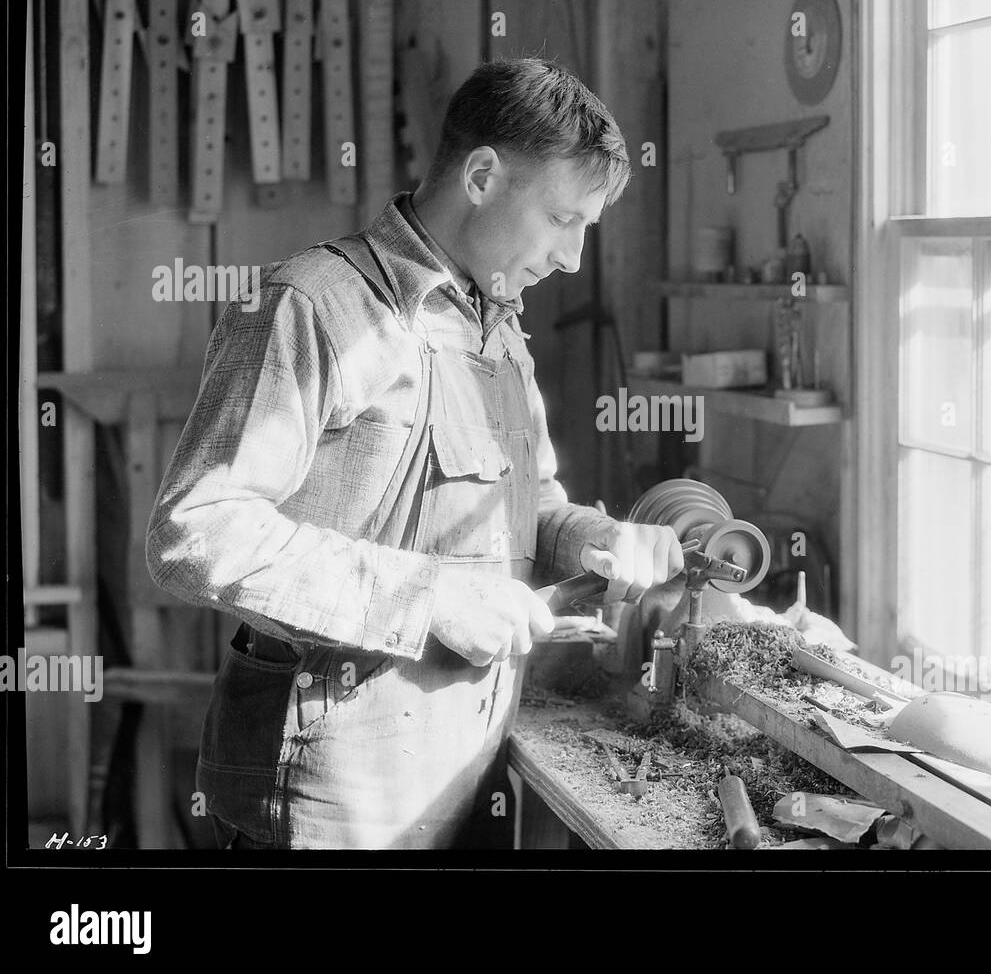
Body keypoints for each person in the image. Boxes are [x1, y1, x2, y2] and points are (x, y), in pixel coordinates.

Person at [146, 57, 683, 849]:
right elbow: (195, 532)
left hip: (458, 768)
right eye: (564, 220)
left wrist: (589, 538)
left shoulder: (498, 328)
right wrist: (432, 599)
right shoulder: (315, 306)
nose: (572, 258)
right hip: (329, 794)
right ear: (483, 176)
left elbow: (526, 503)